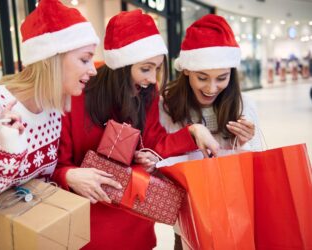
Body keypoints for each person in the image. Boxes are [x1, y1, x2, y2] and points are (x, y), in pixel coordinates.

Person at [52, 10, 219, 250]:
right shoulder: (76, 95)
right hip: (88, 224)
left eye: (157, 69)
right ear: (121, 64)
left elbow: (154, 140)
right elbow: (56, 166)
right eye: (145, 69)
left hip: (134, 214)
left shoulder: (146, 94)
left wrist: (193, 132)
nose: (152, 79)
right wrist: (69, 175)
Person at [0, 0, 99, 248]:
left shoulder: (53, 112)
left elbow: (38, 186)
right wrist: (4, 155)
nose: (93, 70)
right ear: (51, 59)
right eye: (85, 59)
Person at [159, 14, 262, 249]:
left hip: (234, 211)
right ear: (186, 70)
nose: (211, 88)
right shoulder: (166, 104)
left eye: (222, 78)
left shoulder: (243, 103)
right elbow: (159, 154)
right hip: (188, 214)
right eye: (202, 77)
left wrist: (246, 141)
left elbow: (255, 163)